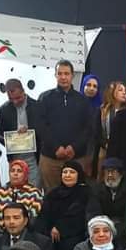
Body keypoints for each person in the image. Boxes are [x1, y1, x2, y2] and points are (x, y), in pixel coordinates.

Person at [37, 160, 100, 250]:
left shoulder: (86, 193)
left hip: (76, 235)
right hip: (50, 236)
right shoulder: (53, 194)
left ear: (79, 175)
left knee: (69, 247)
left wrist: (60, 227)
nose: (67, 175)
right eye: (65, 172)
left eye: (72, 172)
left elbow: (81, 215)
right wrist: (48, 230)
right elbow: (43, 216)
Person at [37, 60, 94, 192]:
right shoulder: (45, 98)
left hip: (76, 158)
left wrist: (74, 147)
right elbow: (40, 126)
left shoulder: (83, 100)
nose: (63, 77)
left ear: (72, 75)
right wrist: (56, 147)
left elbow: (88, 128)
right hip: (50, 159)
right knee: (51, 196)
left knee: (76, 196)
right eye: (60, 73)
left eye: (66, 74)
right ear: (55, 75)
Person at [0, 79, 41, 187]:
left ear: (23, 91)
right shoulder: (4, 109)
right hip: (14, 158)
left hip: (34, 158)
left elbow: (44, 131)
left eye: (18, 98)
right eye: (11, 99)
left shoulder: (37, 106)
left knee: (34, 189)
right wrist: (11, 140)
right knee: (16, 190)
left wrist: (30, 132)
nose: (15, 101)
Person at [0, 159, 43, 238]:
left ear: (25, 174)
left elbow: (33, 221)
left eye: (19, 171)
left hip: (27, 236)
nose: (15, 173)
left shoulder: (34, 194)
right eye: (12, 171)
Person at [93, 157, 126, 242]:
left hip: (123, 231)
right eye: (107, 172)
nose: (110, 175)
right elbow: (94, 212)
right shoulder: (97, 190)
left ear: (121, 174)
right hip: (102, 228)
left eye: (113, 172)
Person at [95, 80, 126, 176]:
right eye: (120, 90)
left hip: (123, 151)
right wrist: (105, 144)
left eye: (125, 91)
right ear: (112, 92)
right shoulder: (102, 110)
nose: (124, 93)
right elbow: (97, 131)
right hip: (105, 149)